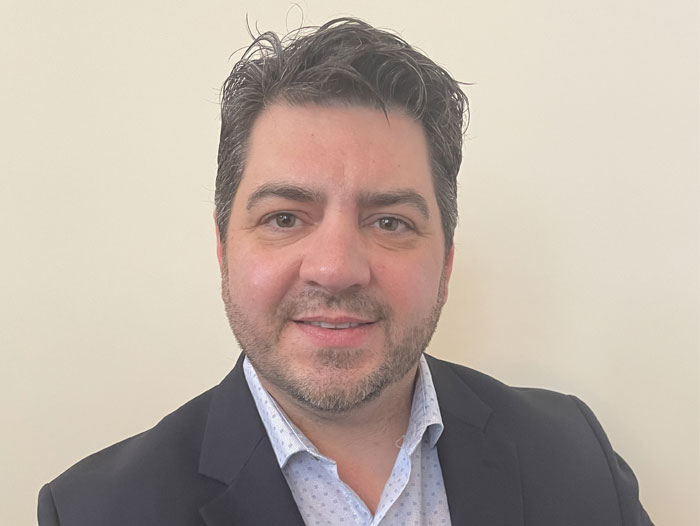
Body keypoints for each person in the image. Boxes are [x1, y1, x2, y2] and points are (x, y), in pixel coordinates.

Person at [37, 18, 652, 526]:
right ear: (223, 249)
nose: (335, 269)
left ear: (446, 262)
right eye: (284, 218)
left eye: (389, 222)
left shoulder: (575, 455)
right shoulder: (95, 512)